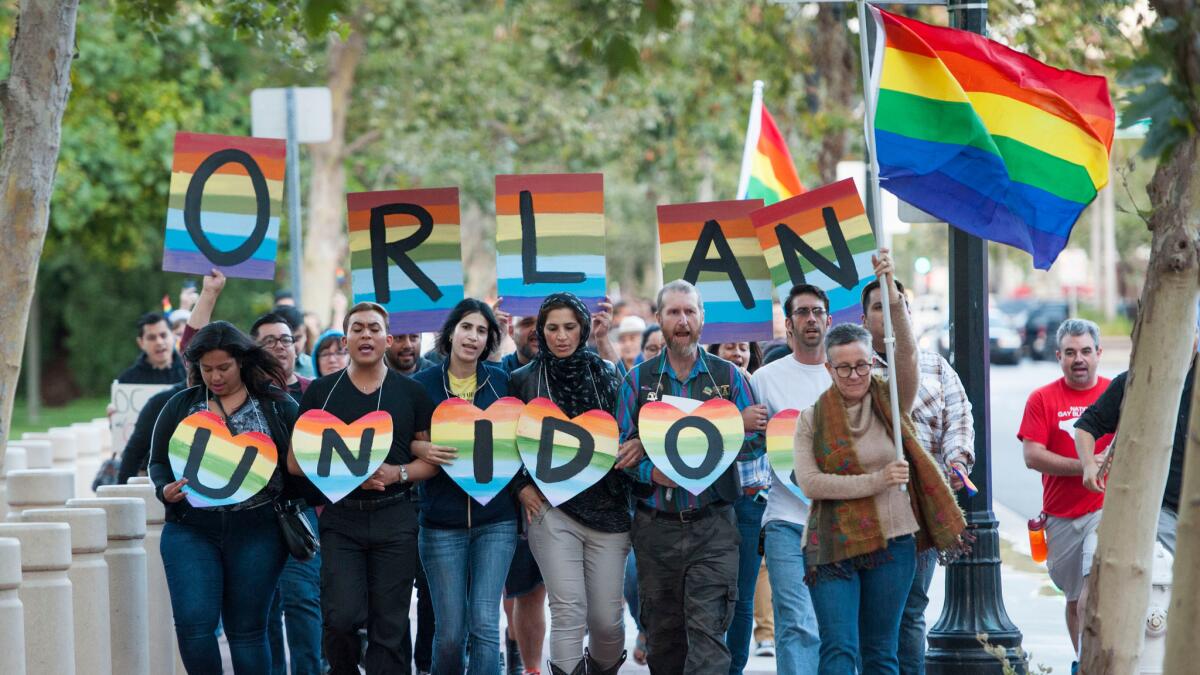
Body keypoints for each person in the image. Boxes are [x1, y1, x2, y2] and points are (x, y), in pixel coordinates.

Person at [794, 253, 966, 674]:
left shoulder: (891, 402)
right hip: (832, 545)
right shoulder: (812, 417)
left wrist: (889, 291)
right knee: (838, 650)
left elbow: (906, 354)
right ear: (829, 368)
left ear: (873, 362)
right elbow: (811, 483)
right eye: (844, 368)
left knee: (881, 653)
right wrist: (878, 480)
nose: (854, 375)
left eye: (862, 365)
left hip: (894, 544)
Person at [616, 279, 768, 673]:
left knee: (709, 638)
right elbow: (621, 454)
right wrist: (654, 468)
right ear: (659, 319)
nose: (682, 320)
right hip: (655, 528)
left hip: (713, 526)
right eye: (673, 312)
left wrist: (725, 425)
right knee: (665, 644)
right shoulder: (638, 380)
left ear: (703, 319)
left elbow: (755, 445)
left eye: (690, 312)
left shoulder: (730, 379)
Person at [149, 321, 309, 672]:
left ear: (241, 362)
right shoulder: (181, 405)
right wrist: (164, 489)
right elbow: (158, 461)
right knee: (193, 627)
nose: (215, 377)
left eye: (223, 367)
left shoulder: (277, 405)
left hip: (259, 531)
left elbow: (303, 464)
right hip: (191, 528)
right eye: (206, 369)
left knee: (248, 631)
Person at [294, 302, 440, 673]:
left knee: (389, 625)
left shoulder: (412, 393)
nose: (365, 335)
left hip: (396, 516)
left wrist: (397, 474)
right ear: (345, 340)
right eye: (357, 328)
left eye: (374, 329)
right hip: (341, 518)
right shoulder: (321, 393)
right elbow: (294, 463)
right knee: (340, 618)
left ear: (387, 340)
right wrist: (345, 473)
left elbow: (430, 461)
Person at [509, 293, 642, 675]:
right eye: (552, 328)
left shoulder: (607, 373)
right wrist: (521, 486)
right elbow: (507, 444)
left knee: (606, 621)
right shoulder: (522, 380)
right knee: (568, 610)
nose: (561, 336)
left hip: (610, 511)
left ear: (583, 328)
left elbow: (629, 427)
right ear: (541, 331)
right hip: (550, 510)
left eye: (570, 327)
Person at [861, 277, 974, 675]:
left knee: (911, 610)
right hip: (868, 512)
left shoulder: (935, 366)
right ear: (864, 318)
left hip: (920, 509)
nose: (891, 314)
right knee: (871, 615)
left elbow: (959, 418)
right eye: (879, 307)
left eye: (898, 305)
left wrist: (957, 462)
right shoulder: (853, 370)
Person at [411, 298, 522, 675]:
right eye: (466, 327)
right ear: (451, 332)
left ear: (490, 340)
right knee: (450, 635)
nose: (472, 337)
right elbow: (400, 439)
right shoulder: (421, 386)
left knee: (486, 626)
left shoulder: (505, 384)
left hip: (497, 522)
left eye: (482, 331)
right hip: (441, 524)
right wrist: (418, 446)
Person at [748, 283, 833, 674]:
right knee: (797, 622)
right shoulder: (763, 379)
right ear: (788, 324)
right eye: (802, 312)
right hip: (785, 520)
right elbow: (748, 449)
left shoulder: (847, 375)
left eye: (817, 311)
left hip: (841, 520)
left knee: (835, 627)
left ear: (829, 320)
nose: (811, 318)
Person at [1019, 319, 1111, 667]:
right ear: (1058, 356)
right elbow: (1032, 456)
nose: (1079, 359)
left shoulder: (1112, 393)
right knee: (1074, 600)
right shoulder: (1042, 398)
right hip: (1059, 517)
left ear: (1099, 354)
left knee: (1091, 596)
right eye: (1070, 352)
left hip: (1103, 510)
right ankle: (1081, 662)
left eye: (1086, 351)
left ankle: (1093, 666)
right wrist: (1087, 465)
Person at [1074, 329, 1198, 554]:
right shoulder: (1135, 381)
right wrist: (1088, 464)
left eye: (1189, 333)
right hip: (1162, 509)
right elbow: (1087, 426)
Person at [118, 311, 186, 384]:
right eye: (151, 338)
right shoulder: (127, 380)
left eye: (163, 335)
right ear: (141, 343)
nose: (159, 342)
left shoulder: (190, 375)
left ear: (173, 337)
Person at [275, 304, 317, 378]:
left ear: (306, 335)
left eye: (297, 338)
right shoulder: (259, 370)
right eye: (285, 340)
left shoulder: (315, 368)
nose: (292, 346)